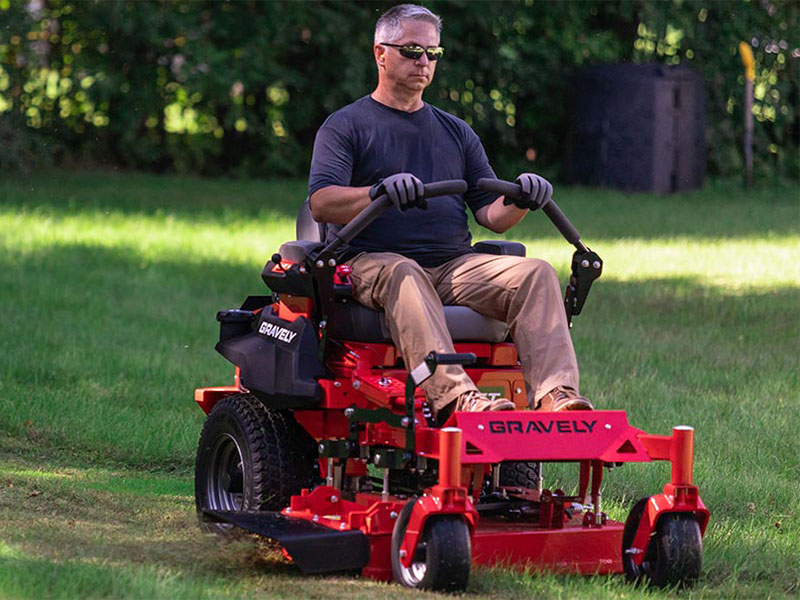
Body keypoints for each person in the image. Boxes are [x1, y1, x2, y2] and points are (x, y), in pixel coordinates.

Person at [308, 4, 593, 423]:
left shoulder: (456, 132)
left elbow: (491, 216)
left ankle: (557, 396)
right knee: (405, 272)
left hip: (452, 266)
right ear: (380, 53)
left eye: (432, 53)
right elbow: (321, 202)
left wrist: (521, 198)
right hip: (372, 263)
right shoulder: (346, 126)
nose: (423, 61)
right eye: (410, 50)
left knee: (535, 273)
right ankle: (458, 399)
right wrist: (377, 192)